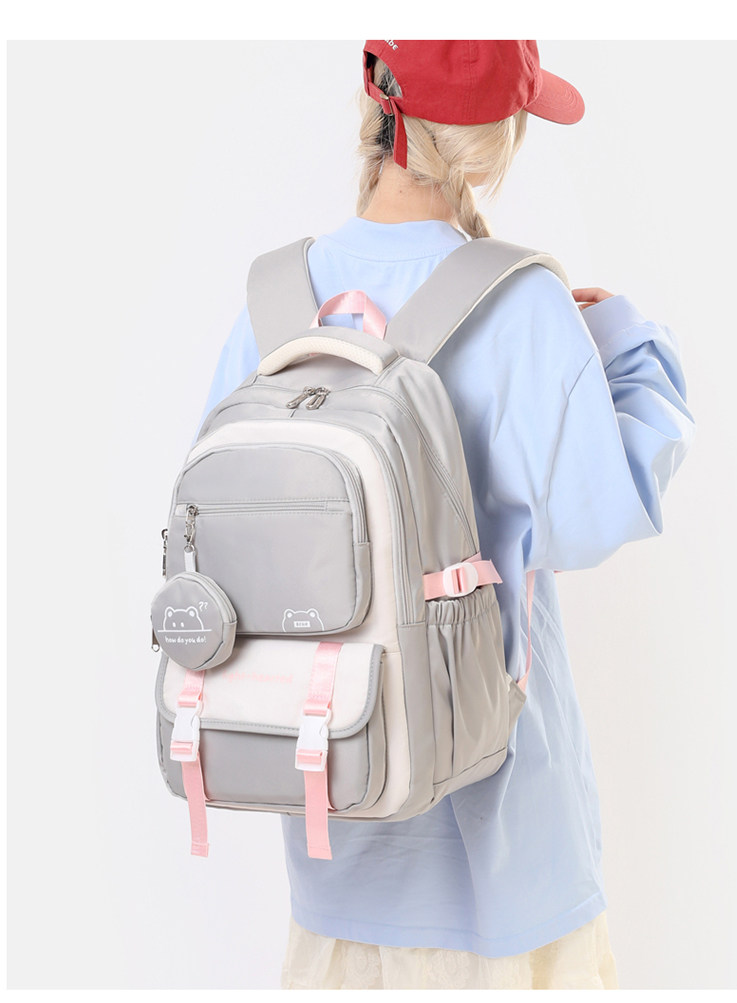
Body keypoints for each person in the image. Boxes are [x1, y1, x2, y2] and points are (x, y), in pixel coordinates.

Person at [197, 40, 695, 991]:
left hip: (336, 819)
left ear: (374, 103)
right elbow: (601, 513)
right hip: (510, 853)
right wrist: (631, 349)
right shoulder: (525, 301)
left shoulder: (274, 301)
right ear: (496, 141)